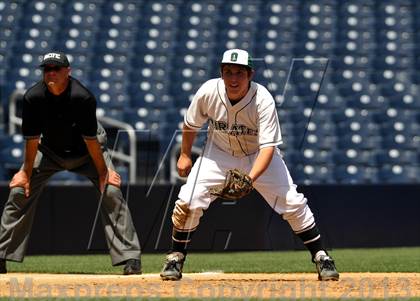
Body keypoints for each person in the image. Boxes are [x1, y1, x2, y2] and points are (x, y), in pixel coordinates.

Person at [160, 49, 339, 281]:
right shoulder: (208, 91)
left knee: (292, 202)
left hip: (258, 155)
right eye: (228, 72)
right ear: (221, 74)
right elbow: (190, 124)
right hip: (218, 154)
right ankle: (175, 257)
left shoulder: (263, 99)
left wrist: (250, 179)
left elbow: (267, 148)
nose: (234, 78)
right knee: (188, 200)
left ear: (250, 74)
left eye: (239, 73)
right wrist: (184, 155)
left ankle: (321, 257)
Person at [0, 52, 141, 275]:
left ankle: (131, 258)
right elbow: (32, 140)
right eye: (47, 69)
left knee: (111, 192)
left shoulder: (82, 97)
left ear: (68, 71)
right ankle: (1, 255)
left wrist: (103, 173)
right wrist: (25, 172)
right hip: (49, 151)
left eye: (56, 68)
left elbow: (91, 140)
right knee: (19, 191)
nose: (51, 73)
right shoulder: (33, 97)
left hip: (88, 151)